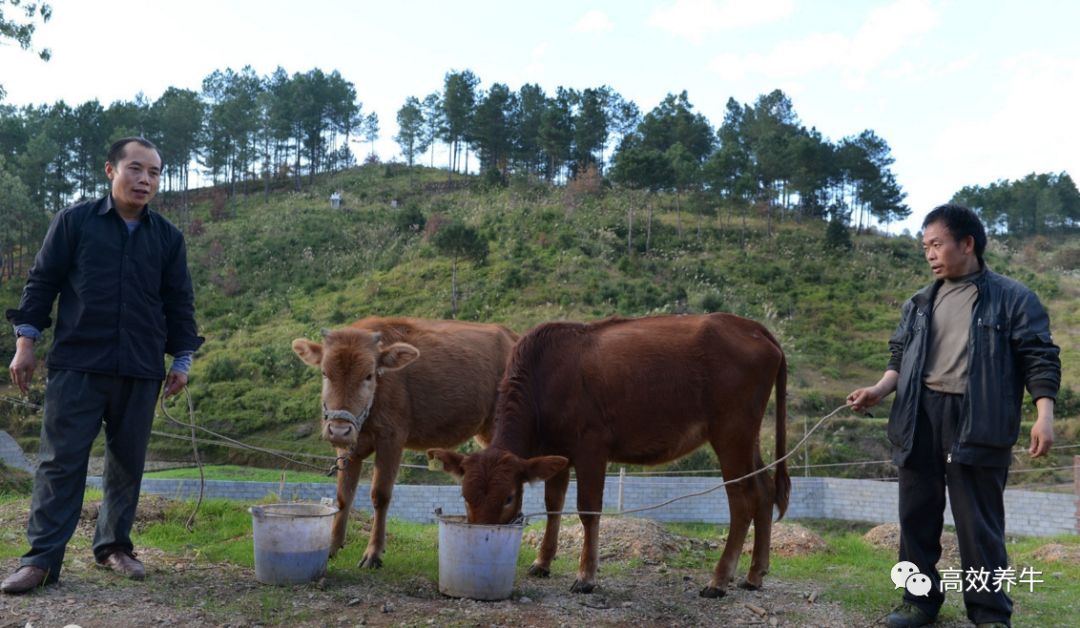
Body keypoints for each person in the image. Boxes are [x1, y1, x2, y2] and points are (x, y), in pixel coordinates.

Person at [3, 137, 203, 594]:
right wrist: (26, 342)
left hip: (141, 366)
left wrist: (182, 358)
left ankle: (114, 547)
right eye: (136, 168)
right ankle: (41, 560)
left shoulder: (167, 238)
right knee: (60, 463)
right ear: (111, 170)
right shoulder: (74, 222)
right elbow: (42, 282)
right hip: (78, 363)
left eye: (154, 172)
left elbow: (179, 302)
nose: (145, 180)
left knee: (128, 463)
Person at [847, 204, 1059, 628]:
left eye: (937, 244)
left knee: (979, 522)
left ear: (967, 243)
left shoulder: (1013, 298)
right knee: (916, 515)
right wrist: (879, 389)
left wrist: (1044, 415)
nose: (930, 254)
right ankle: (918, 601)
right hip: (919, 414)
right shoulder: (919, 302)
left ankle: (990, 613)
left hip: (978, 418)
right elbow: (899, 357)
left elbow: (1039, 357)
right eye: (925, 246)